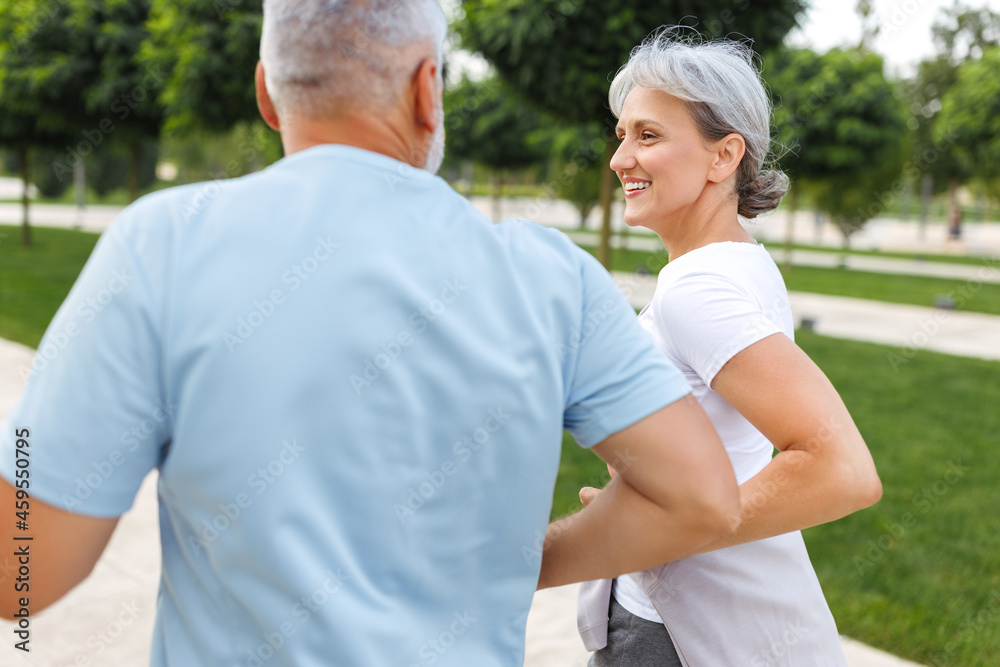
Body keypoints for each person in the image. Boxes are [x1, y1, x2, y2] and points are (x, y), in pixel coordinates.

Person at [0, 3, 742, 666]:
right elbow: (703, 497)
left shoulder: (161, 244)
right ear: (428, 90)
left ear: (267, 93)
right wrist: (521, 558)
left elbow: (19, 572)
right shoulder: (550, 276)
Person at [576, 31, 883, 666]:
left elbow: (840, 469)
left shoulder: (698, 288)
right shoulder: (742, 263)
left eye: (648, 136)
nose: (619, 159)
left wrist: (662, 524)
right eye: (622, 135)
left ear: (724, 157)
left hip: (672, 630)